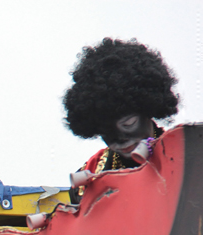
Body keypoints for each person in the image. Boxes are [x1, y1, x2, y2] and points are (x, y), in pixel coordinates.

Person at [63, 38, 179, 202]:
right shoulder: (93, 170)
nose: (120, 137)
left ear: (148, 108)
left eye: (128, 123)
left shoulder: (184, 154)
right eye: (106, 131)